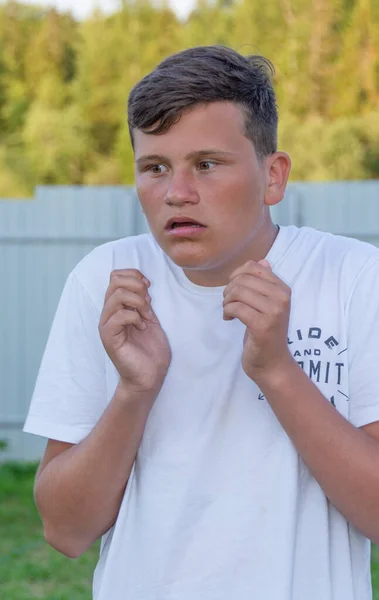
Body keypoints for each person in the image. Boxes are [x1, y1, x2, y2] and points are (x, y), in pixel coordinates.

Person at [24, 45, 379, 600]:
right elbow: (65, 532)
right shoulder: (108, 283)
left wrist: (278, 372)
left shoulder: (354, 278)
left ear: (273, 175)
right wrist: (133, 391)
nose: (177, 192)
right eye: (155, 167)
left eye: (207, 164)